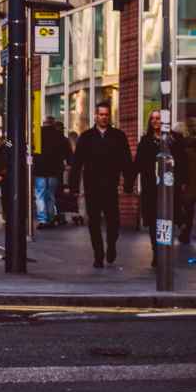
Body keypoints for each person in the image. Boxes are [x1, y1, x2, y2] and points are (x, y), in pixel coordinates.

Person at [69, 100, 132, 268]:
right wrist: (74, 186)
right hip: (92, 187)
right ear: (96, 116)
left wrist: (128, 182)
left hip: (111, 186)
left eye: (106, 115)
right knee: (94, 222)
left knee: (114, 221)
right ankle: (98, 254)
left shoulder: (118, 136)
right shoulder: (86, 137)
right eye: (101, 114)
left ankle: (111, 246)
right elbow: (77, 164)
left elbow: (126, 160)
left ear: (109, 116)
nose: (104, 117)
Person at [130, 112, 188, 263]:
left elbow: (182, 162)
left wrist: (182, 182)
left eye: (159, 119)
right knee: (154, 220)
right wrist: (130, 182)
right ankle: (156, 251)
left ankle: (165, 250)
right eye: (153, 119)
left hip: (169, 187)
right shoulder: (146, 141)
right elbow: (138, 163)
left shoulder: (173, 140)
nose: (156, 121)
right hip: (151, 188)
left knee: (168, 219)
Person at [34, 117, 70, 229]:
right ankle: (50, 218)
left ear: (44, 123)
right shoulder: (59, 136)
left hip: (40, 170)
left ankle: (42, 220)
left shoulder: (37, 135)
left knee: (40, 195)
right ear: (53, 124)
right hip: (54, 171)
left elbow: (27, 147)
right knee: (50, 195)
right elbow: (68, 153)